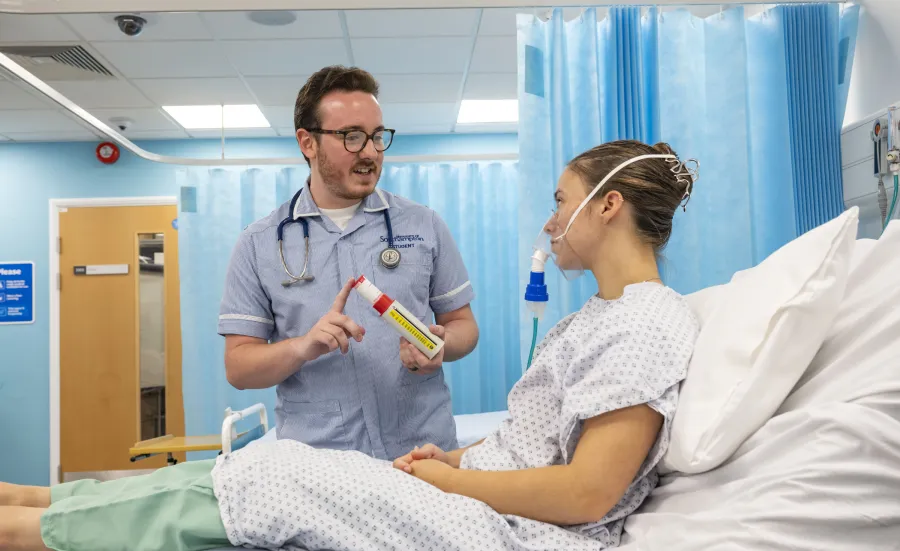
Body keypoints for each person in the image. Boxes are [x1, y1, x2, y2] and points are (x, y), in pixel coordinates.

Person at [0, 140, 700, 551]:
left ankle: (32, 526)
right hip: (467, 489)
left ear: (607, 206)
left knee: (266, 480)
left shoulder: (643, 321)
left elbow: (588, 489)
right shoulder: (595, 318)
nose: (551, 222)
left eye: (560, 200)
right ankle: (36, 497)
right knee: (260, 468)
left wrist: (452, 478)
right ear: (310, 141)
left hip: (509, 528)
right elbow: (538, 442)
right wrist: (450, 458)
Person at [219, 66, 479, 460]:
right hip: (321, 469)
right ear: (308, 143)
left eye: (377, 136)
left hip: (423, 456)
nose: (371, 152)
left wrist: (440, 344)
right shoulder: (258, 243)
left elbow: (465, 327)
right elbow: (239, 367)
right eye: (352, 137)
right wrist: (303, 347)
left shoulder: (423, 225)